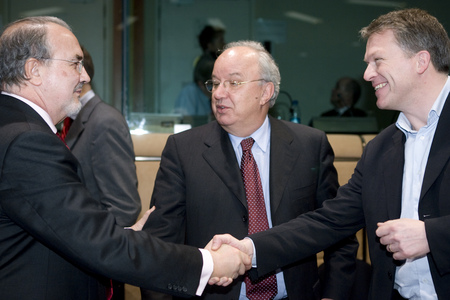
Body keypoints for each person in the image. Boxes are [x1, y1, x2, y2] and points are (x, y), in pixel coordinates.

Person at [0, 16, 250, 300]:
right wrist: (209, 263)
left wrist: (126, 234)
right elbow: (100, 244)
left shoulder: (13, 129)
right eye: (74, 63)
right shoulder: (27, 142)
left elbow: (55, 227)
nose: (85, 76)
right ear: (34, 70)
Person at [211, 8, 450, 300]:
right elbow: (328, 221)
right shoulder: (379, 149)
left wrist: (432, 236)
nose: (367, 74)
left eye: (377, 60)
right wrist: (249, 248)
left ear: (421, 61)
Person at [142, 40, 358, 300]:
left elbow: (338, 231)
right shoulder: (183, 150)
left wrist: (333, 295)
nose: (219, 93)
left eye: (233, 83)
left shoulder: (309, 146)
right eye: (215, 83)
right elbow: (159, 247)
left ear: (266, 92)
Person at [61, 45, 141, 300]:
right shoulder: (71, 119)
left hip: (99, 270)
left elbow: (125, 207)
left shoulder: (105, 120)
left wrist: (87, 247)